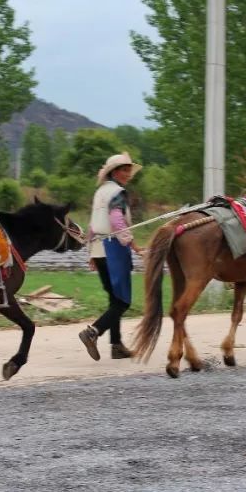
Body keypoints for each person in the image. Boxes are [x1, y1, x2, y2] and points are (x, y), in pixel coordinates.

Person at [79, 152, 143, 361]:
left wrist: (91, 253)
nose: (128, 174)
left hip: (98, 248)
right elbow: (116, 221)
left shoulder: (100, 193)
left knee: (114, 299)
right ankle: (93, 332)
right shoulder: (118, 192)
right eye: (124, 170)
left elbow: (92, 223)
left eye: (128, 170)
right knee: (122, 302)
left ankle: (116, 346)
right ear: (114, 172)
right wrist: (133, 244)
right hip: (113, 249)